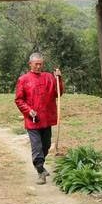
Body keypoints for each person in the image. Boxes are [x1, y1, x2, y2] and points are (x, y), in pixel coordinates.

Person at [14, 52, 64, 184]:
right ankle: (41, 171)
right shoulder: (23, 79)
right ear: (30, 64)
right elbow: (19, 100)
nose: (38, 66)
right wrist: (28, 110)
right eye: (36, 64)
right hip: (33, 120)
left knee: (46, 146)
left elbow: (58, 93)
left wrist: (58, 79)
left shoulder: (49, 77)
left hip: (46, 118)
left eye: (40, 64)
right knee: (37, 147)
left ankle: (40, 165)